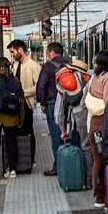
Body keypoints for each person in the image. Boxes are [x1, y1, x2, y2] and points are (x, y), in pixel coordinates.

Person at [85, 50, 108, 208]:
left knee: (97, 159)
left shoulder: (94, 77)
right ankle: (107, 194)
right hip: (106, 123)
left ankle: (98, 196)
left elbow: (84, 97)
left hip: (93, 122)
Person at [7, 39, 41, 170]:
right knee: (16, 131)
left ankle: (30, 159)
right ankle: (19, 159)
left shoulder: (33, 66)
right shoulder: (14, 65)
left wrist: (22, 93)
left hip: (27, 104)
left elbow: (38, 86)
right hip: (15, 104)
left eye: (12, 52)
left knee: (28, 130)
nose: (11, 55)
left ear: (20, 50)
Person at [36, 41, 68, 175]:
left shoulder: (48, 66)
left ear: (52, 53)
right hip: (70, 103)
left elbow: (41, 86)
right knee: (68, 133)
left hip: (53, 103)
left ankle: (58, 167)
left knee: (56, 135)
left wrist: (42, 103)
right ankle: (70, 164)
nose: (48, 56)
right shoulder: (70, 65)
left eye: (48, 53)